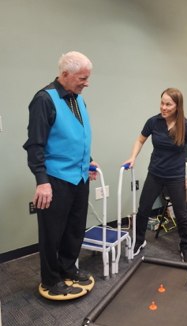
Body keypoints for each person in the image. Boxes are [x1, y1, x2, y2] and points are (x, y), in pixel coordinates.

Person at [23, 51, 99, 295]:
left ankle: (68, 267)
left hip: (80, 177)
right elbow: (35, 145)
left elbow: (79, 135)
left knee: (75, 228)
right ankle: (50, 279)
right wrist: (41, 182)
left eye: (87, 78)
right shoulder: (44, 99)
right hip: (55, 179)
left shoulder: (78, 98)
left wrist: (89, 161)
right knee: (51, 234)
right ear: (65, 74)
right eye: (82, 78)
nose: (86, 83)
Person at [123, 88, 187, 263]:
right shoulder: (153, 122)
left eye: (168, 104)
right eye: (162, 103)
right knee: (143, 210)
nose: (163, 107)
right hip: (155, 173)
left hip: (176, 176)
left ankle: (186, 247)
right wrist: (133, 157)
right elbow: (140, 140)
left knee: (181, 213)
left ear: (177, 106)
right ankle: (139, 241)